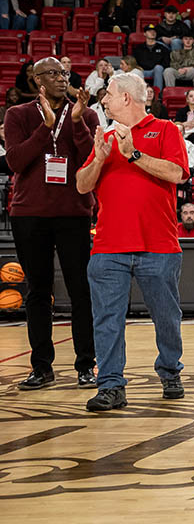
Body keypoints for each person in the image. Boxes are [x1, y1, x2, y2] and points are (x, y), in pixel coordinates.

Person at [75, 72, 190, 411]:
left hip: (160, 245)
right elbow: (82, 186)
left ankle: (170, 370)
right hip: (109, 247)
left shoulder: (166, 130)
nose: (104, 100)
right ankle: (111, 385)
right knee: (106, 318)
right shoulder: (105, 138)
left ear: (126, 97)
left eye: (108, 94)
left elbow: (177, 173)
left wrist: (133, 153)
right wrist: (98, 157)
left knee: (166, 317)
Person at [7, 57, 100, 391]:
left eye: (65, 73)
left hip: (74, 212)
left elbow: (91, 160)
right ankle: (41, 367)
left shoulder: (85, 113)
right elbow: (15, 161)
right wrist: (45, 127)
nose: (63, 78)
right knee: (38, 292)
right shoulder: (18, 114)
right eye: (54, 74)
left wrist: (75, 123)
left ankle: (86, 365)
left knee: (81, 291)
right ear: (37, 81)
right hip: (29, 214)